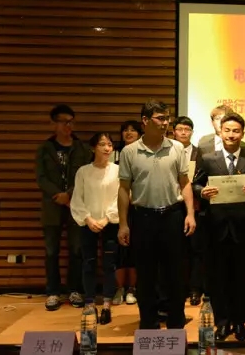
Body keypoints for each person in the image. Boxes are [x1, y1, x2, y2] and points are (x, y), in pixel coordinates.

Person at [117, 99, 196, 329]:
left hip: (172, 215)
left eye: (167, 118)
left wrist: (190, 214)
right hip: (143, 218)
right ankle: (148, 323)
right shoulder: (130, 151)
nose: (165, 123)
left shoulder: (177, 148)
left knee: (175, 273)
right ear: (145, 120)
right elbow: (124, 189)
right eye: (160, 118)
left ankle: (176, 323)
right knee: (146, 274)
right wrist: (123, 223)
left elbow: (185, 183)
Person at [193, 112, 245, 341]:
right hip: (215, 227)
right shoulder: (208, 159)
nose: (231, 135)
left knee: (241, 278)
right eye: (227, 130)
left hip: (243, 228)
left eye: (236, 131)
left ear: (243, 134)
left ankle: (240, 322)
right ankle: (222, 322)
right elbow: (195, 184)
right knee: (218, 278)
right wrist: (202, 192)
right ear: (220, 132)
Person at [35, 104, 89, 311]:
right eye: (64, 122)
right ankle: (53, 292)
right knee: (52, 250)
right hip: (52, 205)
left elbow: (86, 175)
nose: (69, 126)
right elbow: (41, 178)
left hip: (76, 205)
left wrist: (70, 194)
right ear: (53, 123)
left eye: (71, 122)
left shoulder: (82, 148)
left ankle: (74, 289)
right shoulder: (44, 149)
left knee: (76, 249)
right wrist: (58, 195)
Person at [70, 133, 120, 324]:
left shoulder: (117, 170)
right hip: (88, 223)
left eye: (110, 145)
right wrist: (88, 219)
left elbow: (120, 197)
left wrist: (107, 218)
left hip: (110, 222)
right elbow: (77, 198)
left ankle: (107, 304)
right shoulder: (83, 171)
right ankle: (89, 303)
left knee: (109, 264)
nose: (107, 148)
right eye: (102, 144)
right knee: (88, 262)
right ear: (93, 148)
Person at [172, 116, 203, 306]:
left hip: (196, 207)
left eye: (187, 129)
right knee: (176, 250)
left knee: (196, 249)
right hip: (173, 207)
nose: (184, 132)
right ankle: (179, 288)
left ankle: (195, 289)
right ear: (173, 132)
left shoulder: (201, 154)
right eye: (180, 129)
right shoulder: (168, 152)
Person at [112, 120, 142, 306]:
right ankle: (119, 288)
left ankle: (133, 287)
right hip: (114, 208)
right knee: (118, 250)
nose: (129, 133)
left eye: (133, 130)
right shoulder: (114, 152)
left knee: (135, 248)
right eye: (125, 130)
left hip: (138, 207)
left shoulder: (142, 152)